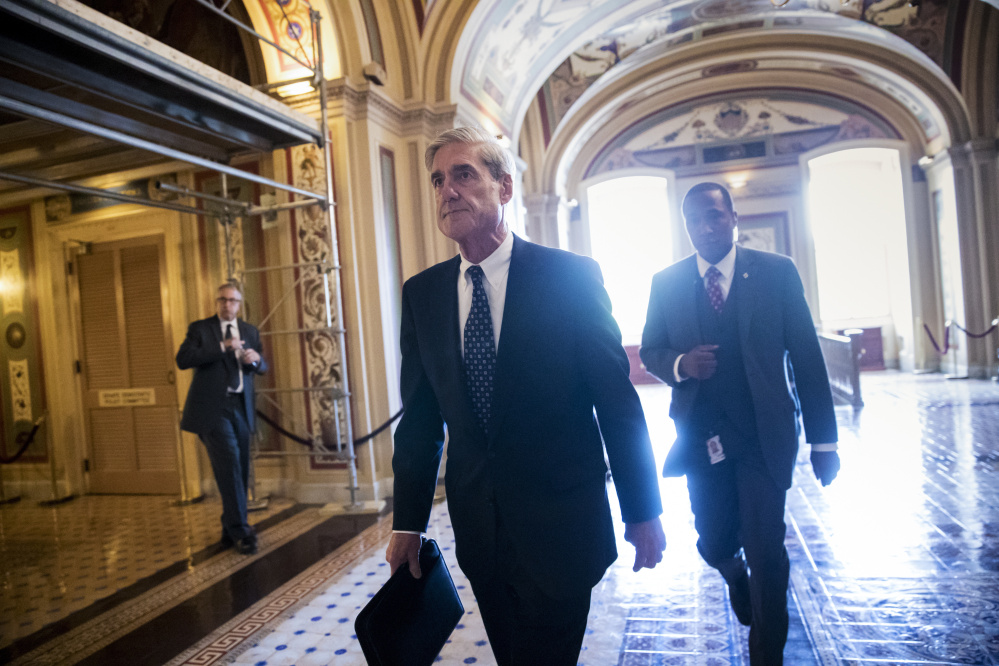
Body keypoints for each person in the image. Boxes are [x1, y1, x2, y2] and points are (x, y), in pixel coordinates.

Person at [386, 126, 667, 665]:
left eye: (465, 174)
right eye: (439, 179)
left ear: (505, 187)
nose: (448, 190)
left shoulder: (570, 278)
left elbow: (616, 403)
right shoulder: (422, 294)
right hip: (480, 533)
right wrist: (408, 523)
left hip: (562, 524)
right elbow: (420, 421)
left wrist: (642, 509)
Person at [640, 182, 840, 665]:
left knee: (767, 549)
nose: (705, 227)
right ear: (685, 226)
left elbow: (807, 358)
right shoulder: (666, 283)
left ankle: (765, 654)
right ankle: (733, 574)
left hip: (763, 435)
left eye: (714, 216)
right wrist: (683, 364)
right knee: (713, 538)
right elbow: (650, 350)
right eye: (695, 220)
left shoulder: (776, 273)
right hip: (703, 436)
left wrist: (824, 441)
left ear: (733, 217)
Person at [177, 282, 267, 556]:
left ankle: (229, 527)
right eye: (223, 300)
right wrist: (222, 346)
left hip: (240, 407)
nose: (227, 305)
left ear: (240, 304)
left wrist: (255, 359)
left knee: (238, 468)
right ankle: (241, 530)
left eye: (233, 300)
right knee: (229, 464)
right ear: (216, 302)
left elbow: (262, 367)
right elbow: (183, 359)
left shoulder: (250, 331)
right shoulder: (201, 329)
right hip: (212, 411)